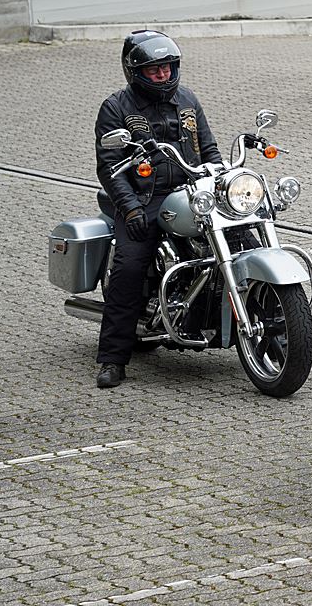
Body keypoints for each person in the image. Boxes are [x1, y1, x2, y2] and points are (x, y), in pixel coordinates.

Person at [93, 30, 222, 389]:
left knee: (242, 239)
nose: (163, 75)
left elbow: (208, 149)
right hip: (144, 198)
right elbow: (109, 166)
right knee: (129, 268)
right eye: (154, 70)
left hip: (191, 192)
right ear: (135, 72)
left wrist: (220, 178)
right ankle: (112, 359)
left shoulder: (187, 100)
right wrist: (131, 208)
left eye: (167, 68)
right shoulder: (116, 107)